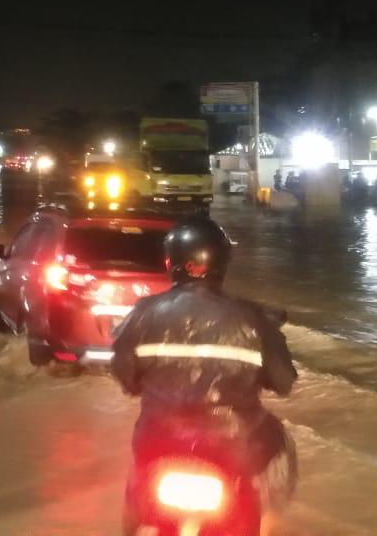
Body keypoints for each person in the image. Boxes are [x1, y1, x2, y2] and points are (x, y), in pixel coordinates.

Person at [112, 218, 297, 536]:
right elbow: (284, 381)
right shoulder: (252, 318)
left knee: (137, 484)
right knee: (281, 440)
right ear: (222, 264)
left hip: (158, 442)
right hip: (233, 448)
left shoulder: (143, 314)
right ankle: (268, 524)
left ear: (171, 263)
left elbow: (124, 376)